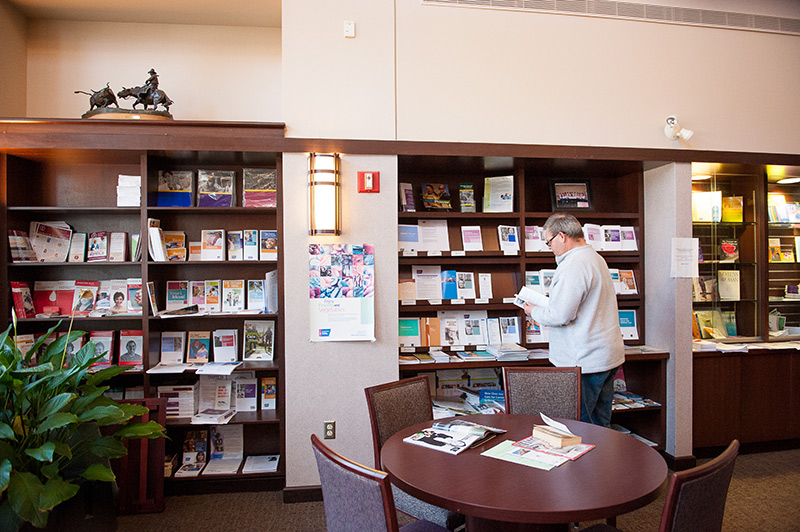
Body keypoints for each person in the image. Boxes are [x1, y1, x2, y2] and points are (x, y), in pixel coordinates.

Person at [522, 213, 624, 428]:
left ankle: (587, 463)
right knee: (600, 425)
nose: (549, 247)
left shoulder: (573, 265)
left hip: (584, 361)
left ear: (562, 236)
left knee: (579, 426)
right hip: (605, 356)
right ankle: (599, 462)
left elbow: (561, 315)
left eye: (549, 241)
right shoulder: (595, 258)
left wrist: (534, 312)